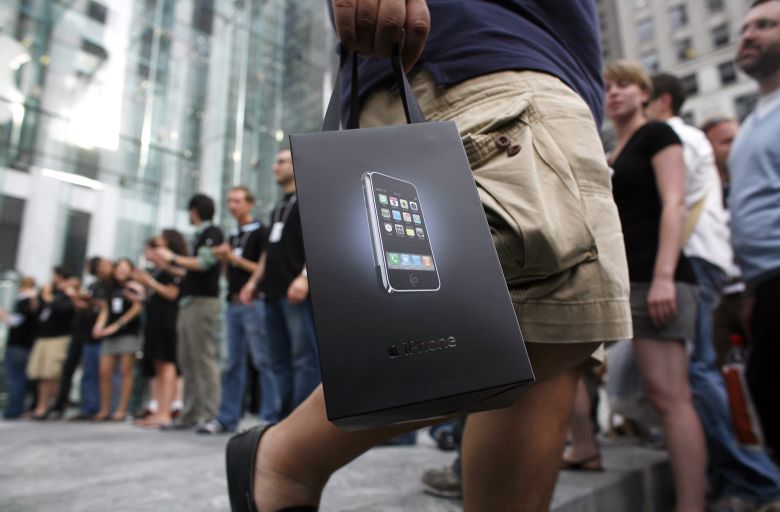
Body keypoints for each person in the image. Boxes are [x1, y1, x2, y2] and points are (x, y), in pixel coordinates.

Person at [227, 3, 633, 511]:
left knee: (543, 352)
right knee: (552, 309)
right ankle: (286, 459)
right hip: (477, 63)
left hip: (526, 72)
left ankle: (284, 460)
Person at [647, 72, 780, 510]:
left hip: (692, 262)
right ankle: (735, 476)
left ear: (660, 99)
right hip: (702, 263)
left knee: (698, 373)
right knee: (701, 373)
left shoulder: (675, 135)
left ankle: (755, 479)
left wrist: (664, 272)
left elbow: (672, 201)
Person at [605, 60, 706, 511]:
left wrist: (664, 276)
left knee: (672, 398)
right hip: (627, 282)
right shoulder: (613, 150)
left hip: (659, 278)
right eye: (606, 86)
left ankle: (690, 505)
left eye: (624, 84)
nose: (614, 93)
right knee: (650, 394)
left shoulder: (658, 135)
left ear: (645, 93)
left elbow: (675, 202)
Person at [730, 0, 780, 459]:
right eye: (745, 27)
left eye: (764, 25)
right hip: (764, 287)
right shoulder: (754, 120)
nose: (748, 35)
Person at [239, 149, 320, 425]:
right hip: (271, 294)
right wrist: (253, 282)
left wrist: (305, 277)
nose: (274, 167)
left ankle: (304, 424)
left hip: (294, 292)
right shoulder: (278, 208)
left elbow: (319, 242)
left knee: (303, 358)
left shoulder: (308, 200)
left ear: (296, 165)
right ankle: (284, 421)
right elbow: (268, 252)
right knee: (277, 361)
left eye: (281, 162)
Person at [198, 186, 268, 434]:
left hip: (255, 301)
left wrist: (234, 259)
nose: (232, 206)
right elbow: (230, 275)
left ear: (249, 203)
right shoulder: (233, 235)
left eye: (238, 201)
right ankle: (227, 418)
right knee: (232, 363)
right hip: (234, 303)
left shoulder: (261, 232)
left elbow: (262, 268)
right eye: (229, 201)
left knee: (262, 360)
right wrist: (227, 261)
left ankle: (271, 417)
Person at [156, 194, 223, 429]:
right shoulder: (198, 236)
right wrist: (169, 267)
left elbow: (204, 264)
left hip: (204, 302)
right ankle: (191, 413)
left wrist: (173, 257)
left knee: (203, 358)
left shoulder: (212, 232)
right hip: (190, 301)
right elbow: (193, 271)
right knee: (187, 359)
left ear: (195, 210)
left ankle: (209, 413)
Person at [701, 117, 747, 367]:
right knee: (712, 367)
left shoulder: (759, 180)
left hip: (755, 287)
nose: (735, 146)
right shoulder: (700, 193)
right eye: (726, 141)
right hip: (717, 294)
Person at [46, 257, 113, 420]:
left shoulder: (110, 286)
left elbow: (103, 307)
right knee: (84, 372)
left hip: (99, 335)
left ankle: (99, 407)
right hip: (83, 333)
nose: (106, 268)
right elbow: (84, 306)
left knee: (101, 373)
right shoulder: (92, 286)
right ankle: (85, 406)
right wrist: (76, 296)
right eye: (102, 265)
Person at [133, 230, 187, 428]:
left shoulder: (174, 269)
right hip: (155, 320)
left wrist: (150, 283)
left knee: (167, 364)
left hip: (168, 320)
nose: (155, 250)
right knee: (157, 366)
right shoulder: (160, 269)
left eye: (159, 245)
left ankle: (166, 411)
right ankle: (159, 410)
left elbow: (172, 294)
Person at [92, 259, 143, 421]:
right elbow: (105, 310)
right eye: (118, 268)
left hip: (128, 333)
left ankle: (121, 410)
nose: (121, 271)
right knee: (104, 372)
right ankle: (105, 409)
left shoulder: (134, 286)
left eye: (124, 268)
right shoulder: (109, 287)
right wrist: (99, 327)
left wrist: (117, 325)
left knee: (126, 372)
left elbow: (137, 307)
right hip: (110, 334)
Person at [26, 267, 76, 420]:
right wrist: (40, 296)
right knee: (40, 375)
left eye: (56, 277)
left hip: (58, 338)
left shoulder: (67, 294)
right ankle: (40, 406)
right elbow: (34, 312)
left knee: (52, 374)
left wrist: (49, 297)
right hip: (42, 337)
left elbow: (65, 310)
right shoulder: (48, 294)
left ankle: (55, 405)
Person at [1, 276, 38, 419]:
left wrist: (4, 315)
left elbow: (16, 321)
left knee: (15, 378)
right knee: (20, 378)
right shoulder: (32, 300)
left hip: (18, 345)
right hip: (25, 346)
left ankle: (14, 409)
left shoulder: (25, 300)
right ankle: (17, 408)